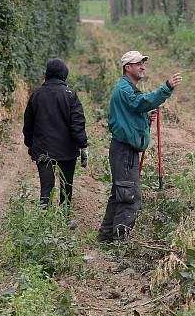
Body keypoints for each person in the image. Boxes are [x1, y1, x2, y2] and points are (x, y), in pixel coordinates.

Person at [97, 51, 182, 242]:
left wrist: (146, 118)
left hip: (125, 150)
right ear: (128, 67)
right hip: (125, 151)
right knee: (130, 197)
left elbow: (132, 113)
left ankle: (105, 237)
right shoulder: (126, 90)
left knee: (120, 193)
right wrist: (165, 89)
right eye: (138, 64)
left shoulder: (127, 88)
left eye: (143, 63)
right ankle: (119, 242)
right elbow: (139, 103)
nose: (143, 67)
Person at [23, 58, 88, 208]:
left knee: (46, 187)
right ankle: (64, 216)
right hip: (67, 150)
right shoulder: (70, 94)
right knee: (66, 185)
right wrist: (83, 145)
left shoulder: (37, 94)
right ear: (64, 74)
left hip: (43, 149)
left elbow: (28, 123)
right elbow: (77, 123)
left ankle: (44, 219)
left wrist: (30, 144)